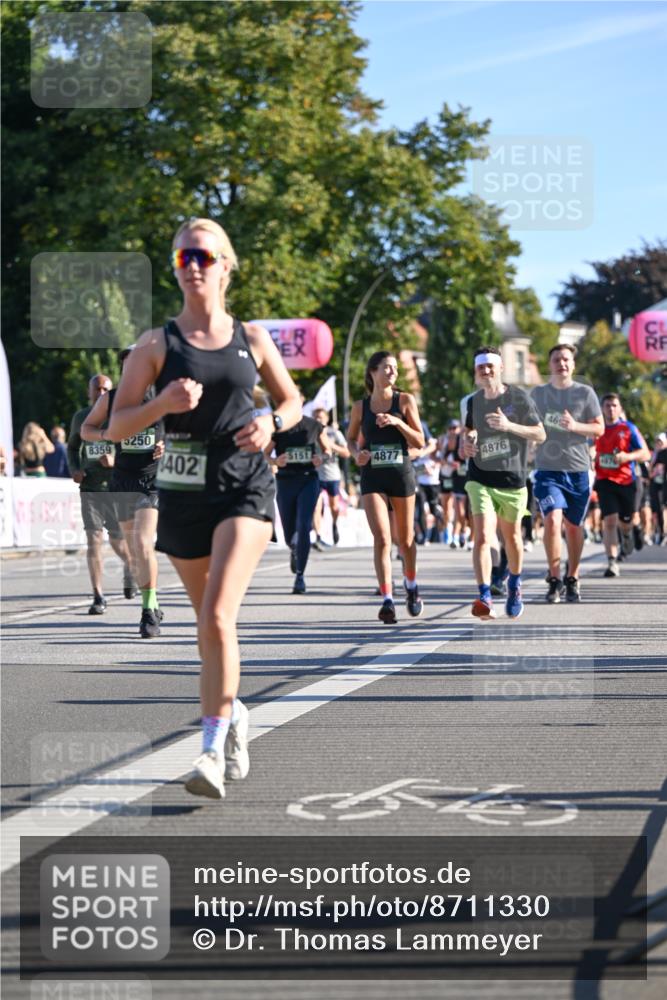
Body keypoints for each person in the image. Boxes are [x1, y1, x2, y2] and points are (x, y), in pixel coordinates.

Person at [107, 217, 301, 801]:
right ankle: (235, 713)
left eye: (203, 256)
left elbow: (291, 401)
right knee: (209, 628)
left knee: (218, 615)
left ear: (225, 265)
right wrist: (161, 402)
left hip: (244, 486)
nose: (193, 266)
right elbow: (114, 426)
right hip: (184, 491)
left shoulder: (253, 337)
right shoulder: (154, 344)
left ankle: (211, 750)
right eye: (182, 258)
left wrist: (271, 422)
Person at [81, 346, 165, 638]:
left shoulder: (162, 396)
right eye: (129, 366)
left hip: (152, 481)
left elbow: (187, 431)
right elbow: (86, 429)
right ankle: (152, 603)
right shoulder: (111, 399)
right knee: (132, 547)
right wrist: (106, 435)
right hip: (122, 481)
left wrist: (169, 445)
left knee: (143, 544)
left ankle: (148, 611)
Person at [462, 346, 545, 620]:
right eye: (480, 368)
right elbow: (469, 430)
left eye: (489, 366)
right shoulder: (474, 401)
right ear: (476, 373)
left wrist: (509, 426)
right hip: (480, 478)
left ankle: (514, 584)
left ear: (499, 369)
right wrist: (469, 442)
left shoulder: (519, 398)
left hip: (512, 479)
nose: (485, 371)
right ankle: (484, 594)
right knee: (483, 536)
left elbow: (540, 433)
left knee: (512, 538)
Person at [347, 350, 425, 623]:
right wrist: (357, 454)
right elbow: (351, 440)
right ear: (373, 372)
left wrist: (398, 422)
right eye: (387, 368)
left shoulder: (404, 400)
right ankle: (387, 600)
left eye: (395, 368)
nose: (393, 372)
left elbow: (419, 441)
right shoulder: (360, 407)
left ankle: (412, 586)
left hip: (400, 474)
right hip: (372, 476)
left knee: (404, 540)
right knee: (381, 539)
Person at [531, 344, 604, 603]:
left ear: (573, 365)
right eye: (556, 360)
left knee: (574, 527)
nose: (561, 364)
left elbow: (599, 429)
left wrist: (575, 425)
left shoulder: (585, 393)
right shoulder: (538, 394)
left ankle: (572, 576)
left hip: (577, 470)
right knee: (552, 519)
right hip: (547, 470)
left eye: (566, 359)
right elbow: (527, 424)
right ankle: (554, 578)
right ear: (549, 364)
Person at [67, 376, 135, 613]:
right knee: (94, 539)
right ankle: (98, 596)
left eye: (106, 389)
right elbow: (73, 448)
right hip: (90, 487)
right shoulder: (80, 417)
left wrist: (116, 461)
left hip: (116, 487)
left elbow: (135, 451)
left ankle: (130, 566)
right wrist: (75, 468)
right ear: (89, 392)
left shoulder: (120, 416)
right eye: (97, 389)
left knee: (118, 541)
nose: (101, 392)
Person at [270, 407, 331, 594]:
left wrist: (321, 457)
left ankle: (300, 576)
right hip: (285, 481)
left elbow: (328, 450)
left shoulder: (313, 425)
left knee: (304, 525)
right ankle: (294, 548)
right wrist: (275, 461)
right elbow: (264, 453)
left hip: (308, 479)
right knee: (290, 534)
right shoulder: (277, 427)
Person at [594, 394, 651, 577]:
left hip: (627, 481)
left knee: (627, 521)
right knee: (609, 521)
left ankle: (628, 532)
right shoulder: (596, 428)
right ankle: (612, 562)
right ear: (602, 408)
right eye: (607, 406)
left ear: (619, 409)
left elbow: (646, 453)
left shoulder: (628, 428)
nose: (611, 409)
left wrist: (627, 457)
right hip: (604, 481)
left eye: (614, 405)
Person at [312, 406, 349, 548]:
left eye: (321, 417)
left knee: (334, 506)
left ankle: (334, 524)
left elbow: (346, 453)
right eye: (315, 417)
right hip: (316, 475)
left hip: (332, 474)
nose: (318, 419)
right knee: (316, 505)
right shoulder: (310, 433)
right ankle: (318, 537)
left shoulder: (335, 433)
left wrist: (331, 445)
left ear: (326, 419)